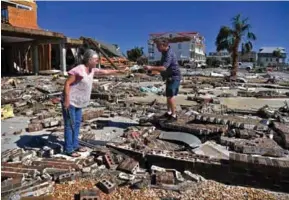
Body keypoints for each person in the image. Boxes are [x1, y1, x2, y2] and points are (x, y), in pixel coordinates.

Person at [62, 49, 128, 157]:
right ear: (89, 60)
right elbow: (67, 83)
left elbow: (105, 72)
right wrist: (67, 100)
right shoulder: (79, 70)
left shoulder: (92, 70)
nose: (97, 61)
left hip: (79, 102)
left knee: (77, 124)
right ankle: (68, 149)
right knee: (70, 125)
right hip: (71, 101)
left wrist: (120, 71)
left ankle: (75, 145)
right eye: (95, 59)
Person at [144, 38, 181, 122]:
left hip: (174, 77)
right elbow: (161, 68)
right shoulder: (164, 53)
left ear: (164, 45)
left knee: (170, 97)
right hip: (169, 77)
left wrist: (151, 67)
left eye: (158, 46)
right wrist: (152, 71)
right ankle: (168, 113)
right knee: (168, 96)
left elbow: (164, 68)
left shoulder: (169, 54)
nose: (157, 48)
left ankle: (174, 115)